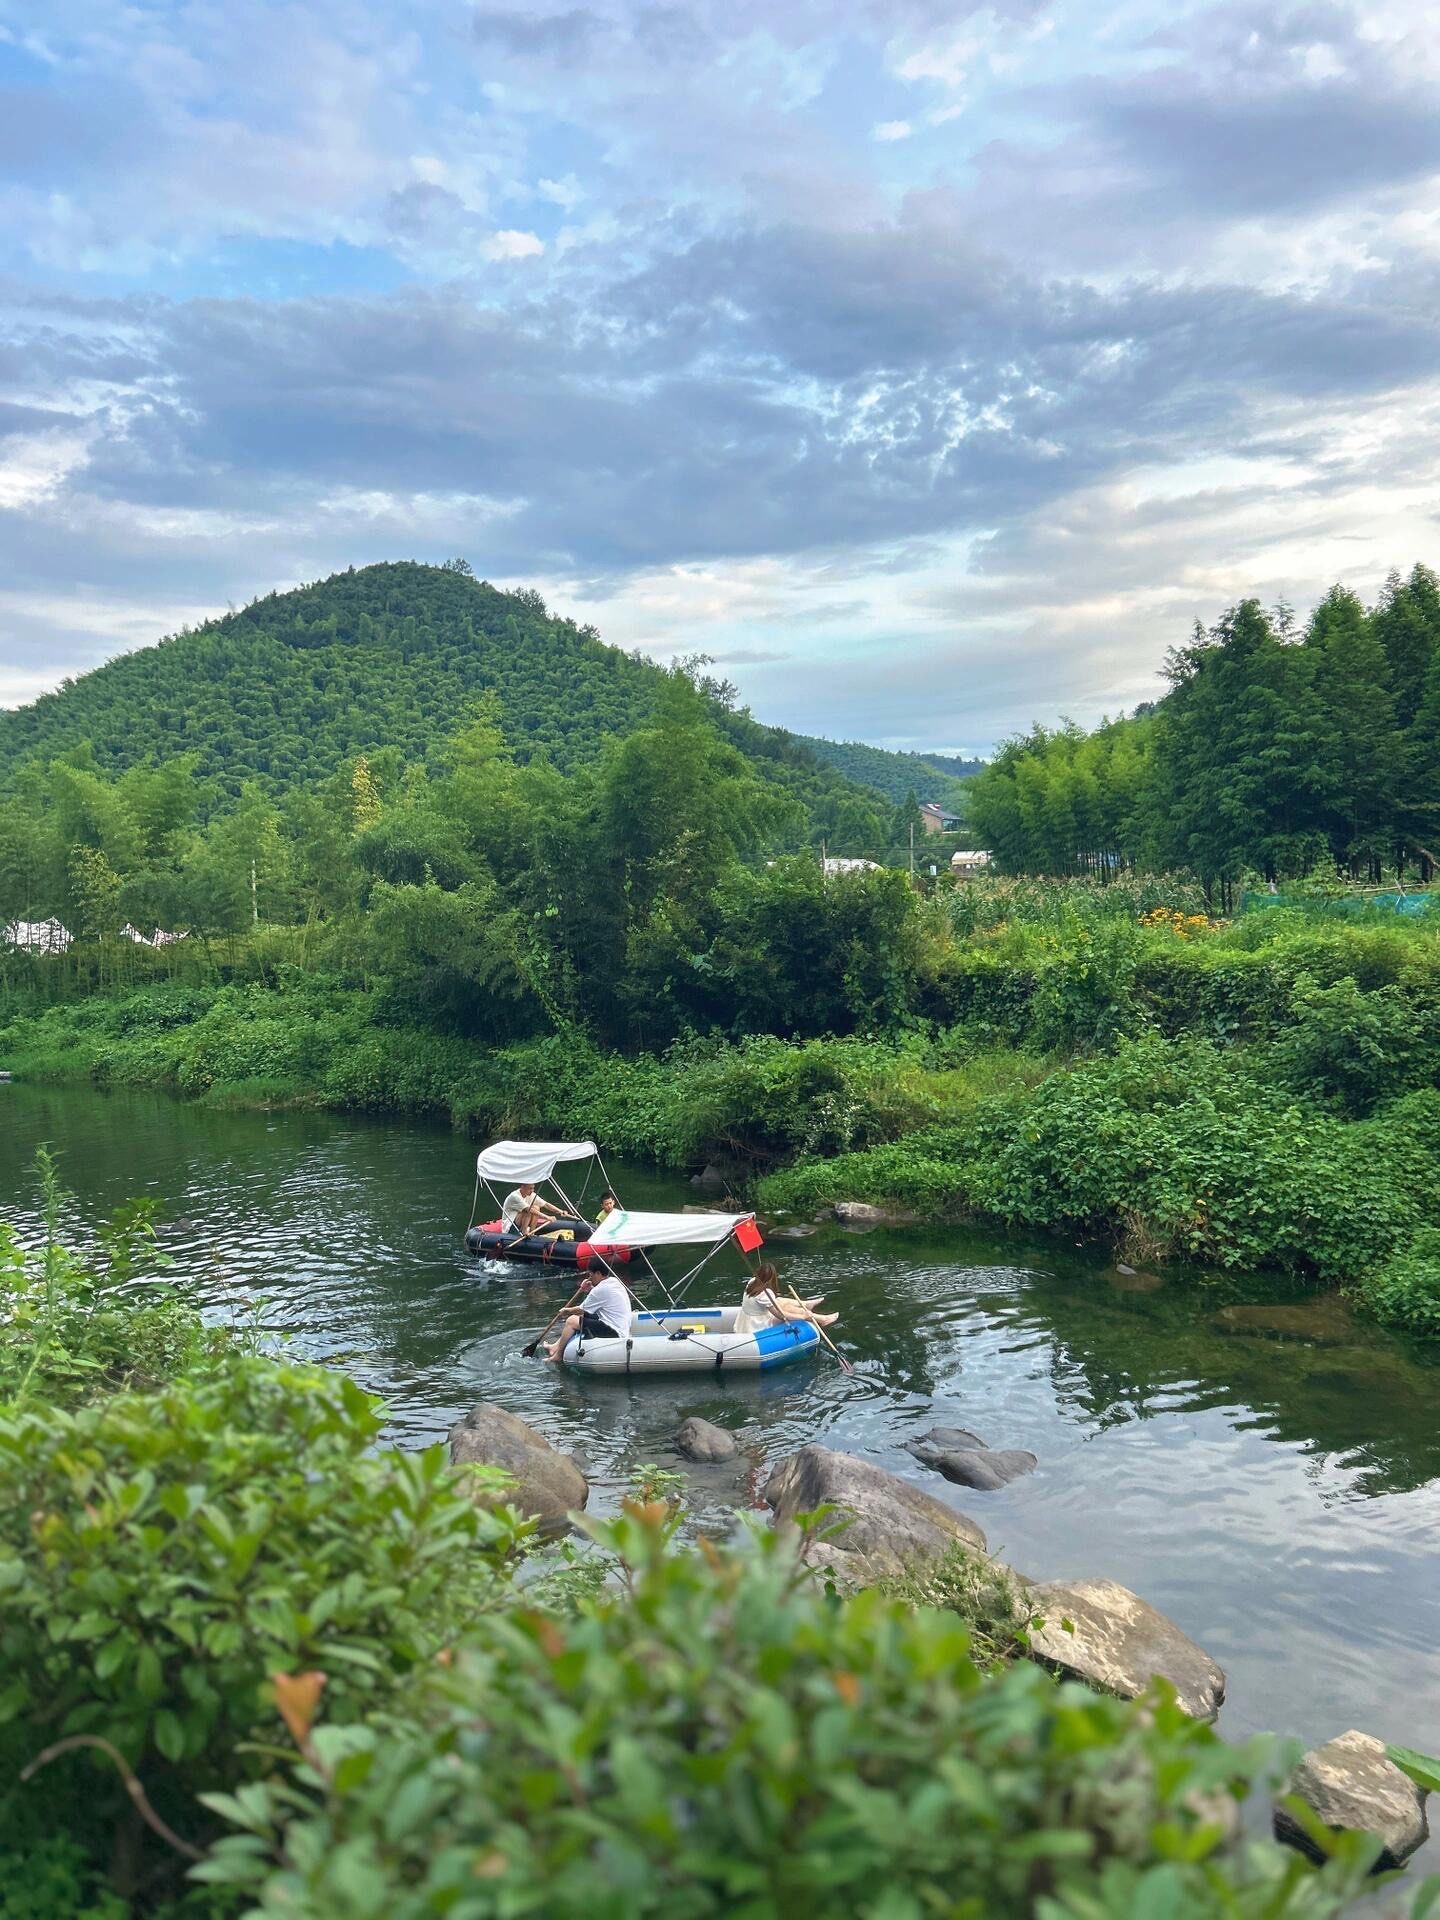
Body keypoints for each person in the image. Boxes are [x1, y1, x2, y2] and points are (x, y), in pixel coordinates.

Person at [545, 1266, 632, 1360]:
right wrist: (589, 1289)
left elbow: (581, 1309)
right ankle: (555, 1347)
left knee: (571, 1321)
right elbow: (599, 1299)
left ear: (598, 1273)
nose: (590, 1278)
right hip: (618, 1324)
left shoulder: (600, 1289)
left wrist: (566, 1311)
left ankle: (558, 1356)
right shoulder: (614, 1281)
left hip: (614, 1331)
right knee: (583, 1316)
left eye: (591, 1275)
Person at [736, 1261, 837, 1333]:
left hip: (749, 1318)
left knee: (779, 1300)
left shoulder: (752, 1281)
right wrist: (803, 1316)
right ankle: (822, 1319)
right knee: (787, 1309)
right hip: (757, 1325)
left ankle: (806, 1304)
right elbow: (780, 1315)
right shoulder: (765, 1294)